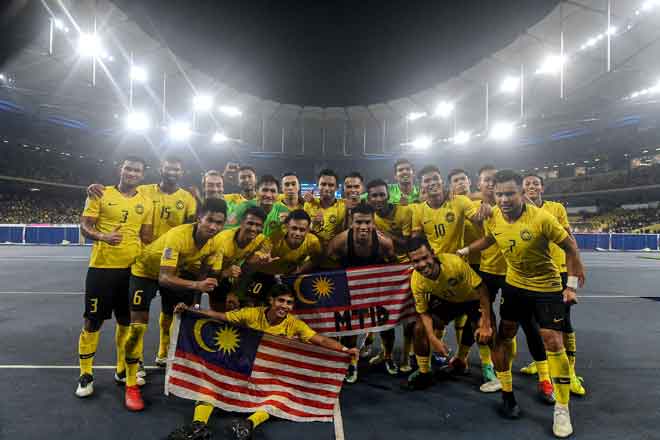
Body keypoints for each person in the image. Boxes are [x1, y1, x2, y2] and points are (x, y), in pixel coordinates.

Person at [457, 170, 586, 438]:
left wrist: (570, 286)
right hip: (514, 286)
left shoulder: (542, 219)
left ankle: (562, 408)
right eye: (500, 194)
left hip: (547, 287)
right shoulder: (493, 215)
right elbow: (491, 238)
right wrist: (468, 250)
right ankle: (507, 392)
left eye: (510, 194)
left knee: (552, 340)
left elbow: (571, 247)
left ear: (522, 193)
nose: (504, 199)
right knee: (503, 335)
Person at [168, 284, 359, 440]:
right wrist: (193, 310)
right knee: (209, 385)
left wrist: (344, 350)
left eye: (289, 303)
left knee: (279, 397)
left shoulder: (295, 324)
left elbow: (321, 340)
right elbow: (221, 317)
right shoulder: (252, 314)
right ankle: (198, 426)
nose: (285, 306)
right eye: (281, 301)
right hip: (241, 371)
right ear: (271, 301)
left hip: (270, 378)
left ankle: (248, 424)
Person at [87, 156, 198, 369]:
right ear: (161, 169)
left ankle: (163, 354)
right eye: (169, 167)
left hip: (171, 265)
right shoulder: (144, 190)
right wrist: (95, 187)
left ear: (182, 172)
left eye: (177, 169)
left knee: (169, 312)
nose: (172, 172)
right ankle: (134, 363)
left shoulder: (188, 198)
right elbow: (123, 193)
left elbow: (191, 226)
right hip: (143, 263)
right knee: (137, 318)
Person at [123, 199, 228, 411]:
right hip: (145, 272)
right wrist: (197, 284)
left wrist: (196, 299)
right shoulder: (178, 236)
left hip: (175, 274)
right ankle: (131, 383)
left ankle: (164, 356)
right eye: (210, 221)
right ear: (199, 217)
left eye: (219, 223)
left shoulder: (216, 242)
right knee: (138, 327)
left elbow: (205, 273)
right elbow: (164, 277)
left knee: (177, 316)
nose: (214, 227)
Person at [75, 156, 154, 398]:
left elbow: (148, 237)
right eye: (128, 168)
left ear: (142, 175)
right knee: (93, 321)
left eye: (136, 170)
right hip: (102, 269)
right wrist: (103, 237)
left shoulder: (147, 201)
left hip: (132, 271)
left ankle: (122, 370)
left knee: (126, 321)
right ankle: (86, 374)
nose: (131, 173)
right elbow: (84, 226)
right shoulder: (99, 193)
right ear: (120, 169)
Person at [522, 173, 586, 396]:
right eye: (527, 183)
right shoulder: (518, 209)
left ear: (542, 187)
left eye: (535, 183)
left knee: (564, 321)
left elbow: (569, 238)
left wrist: (577, 265)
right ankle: (544, 363)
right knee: (539, 324)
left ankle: (570, 372)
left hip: (557, 270)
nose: (532, 186)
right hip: (532, 273)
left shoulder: (556, 208)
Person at [404, 237, 494, 391]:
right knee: (419, 328)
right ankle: (424, 373)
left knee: (483, 330)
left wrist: (486, 323)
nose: (422, 264)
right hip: (449, 301)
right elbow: (423, 312)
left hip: (472, 299)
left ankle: (488, 367)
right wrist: (433, 339)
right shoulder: (417, 280)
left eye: (425, 258)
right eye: (416, 261)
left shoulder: (454, 263)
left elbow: (482, 290)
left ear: (433, 254)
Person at [326, 202, 396, 383]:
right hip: (350, 287)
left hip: (375, 286)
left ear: (373, 223)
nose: (363, 227)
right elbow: (328, 263)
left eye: (367, 222)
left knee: (386, 323)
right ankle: (351, 361)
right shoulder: (340, 241)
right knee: (350, 327)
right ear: (351, 222)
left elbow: (393, 265)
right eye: (358, 222)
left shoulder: (384, 242)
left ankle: (388, 355)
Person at [446, 168, 499, 389]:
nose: (460, 184)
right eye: (455, 181)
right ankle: (459, 357)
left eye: (463, 180)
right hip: (457, 267)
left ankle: (488, 364)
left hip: (482, 265)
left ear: (471, 182)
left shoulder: (482, 204)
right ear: (450, 186)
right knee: (462, 316)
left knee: (481, 315)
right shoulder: (449, 205)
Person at [247, 209, 322, 276]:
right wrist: (260, 259)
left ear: (308, 229)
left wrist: (300, 270)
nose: (297, 233)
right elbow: (251, 260)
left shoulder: (313, 241)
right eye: (294, 228)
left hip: (288, 277)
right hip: (264, 275)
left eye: (302, 230)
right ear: (287, 226)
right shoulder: (274, 238)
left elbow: (316, 258)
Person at [304, 169, 347, 251]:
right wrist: (313, 224)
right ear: (317, 185)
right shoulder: (308, 204)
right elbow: (301, 232)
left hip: (335, 254)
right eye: (323, 184)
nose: (327, 188)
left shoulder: (343, 205)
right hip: (312, 252)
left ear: (337, 187)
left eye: (331, 185)